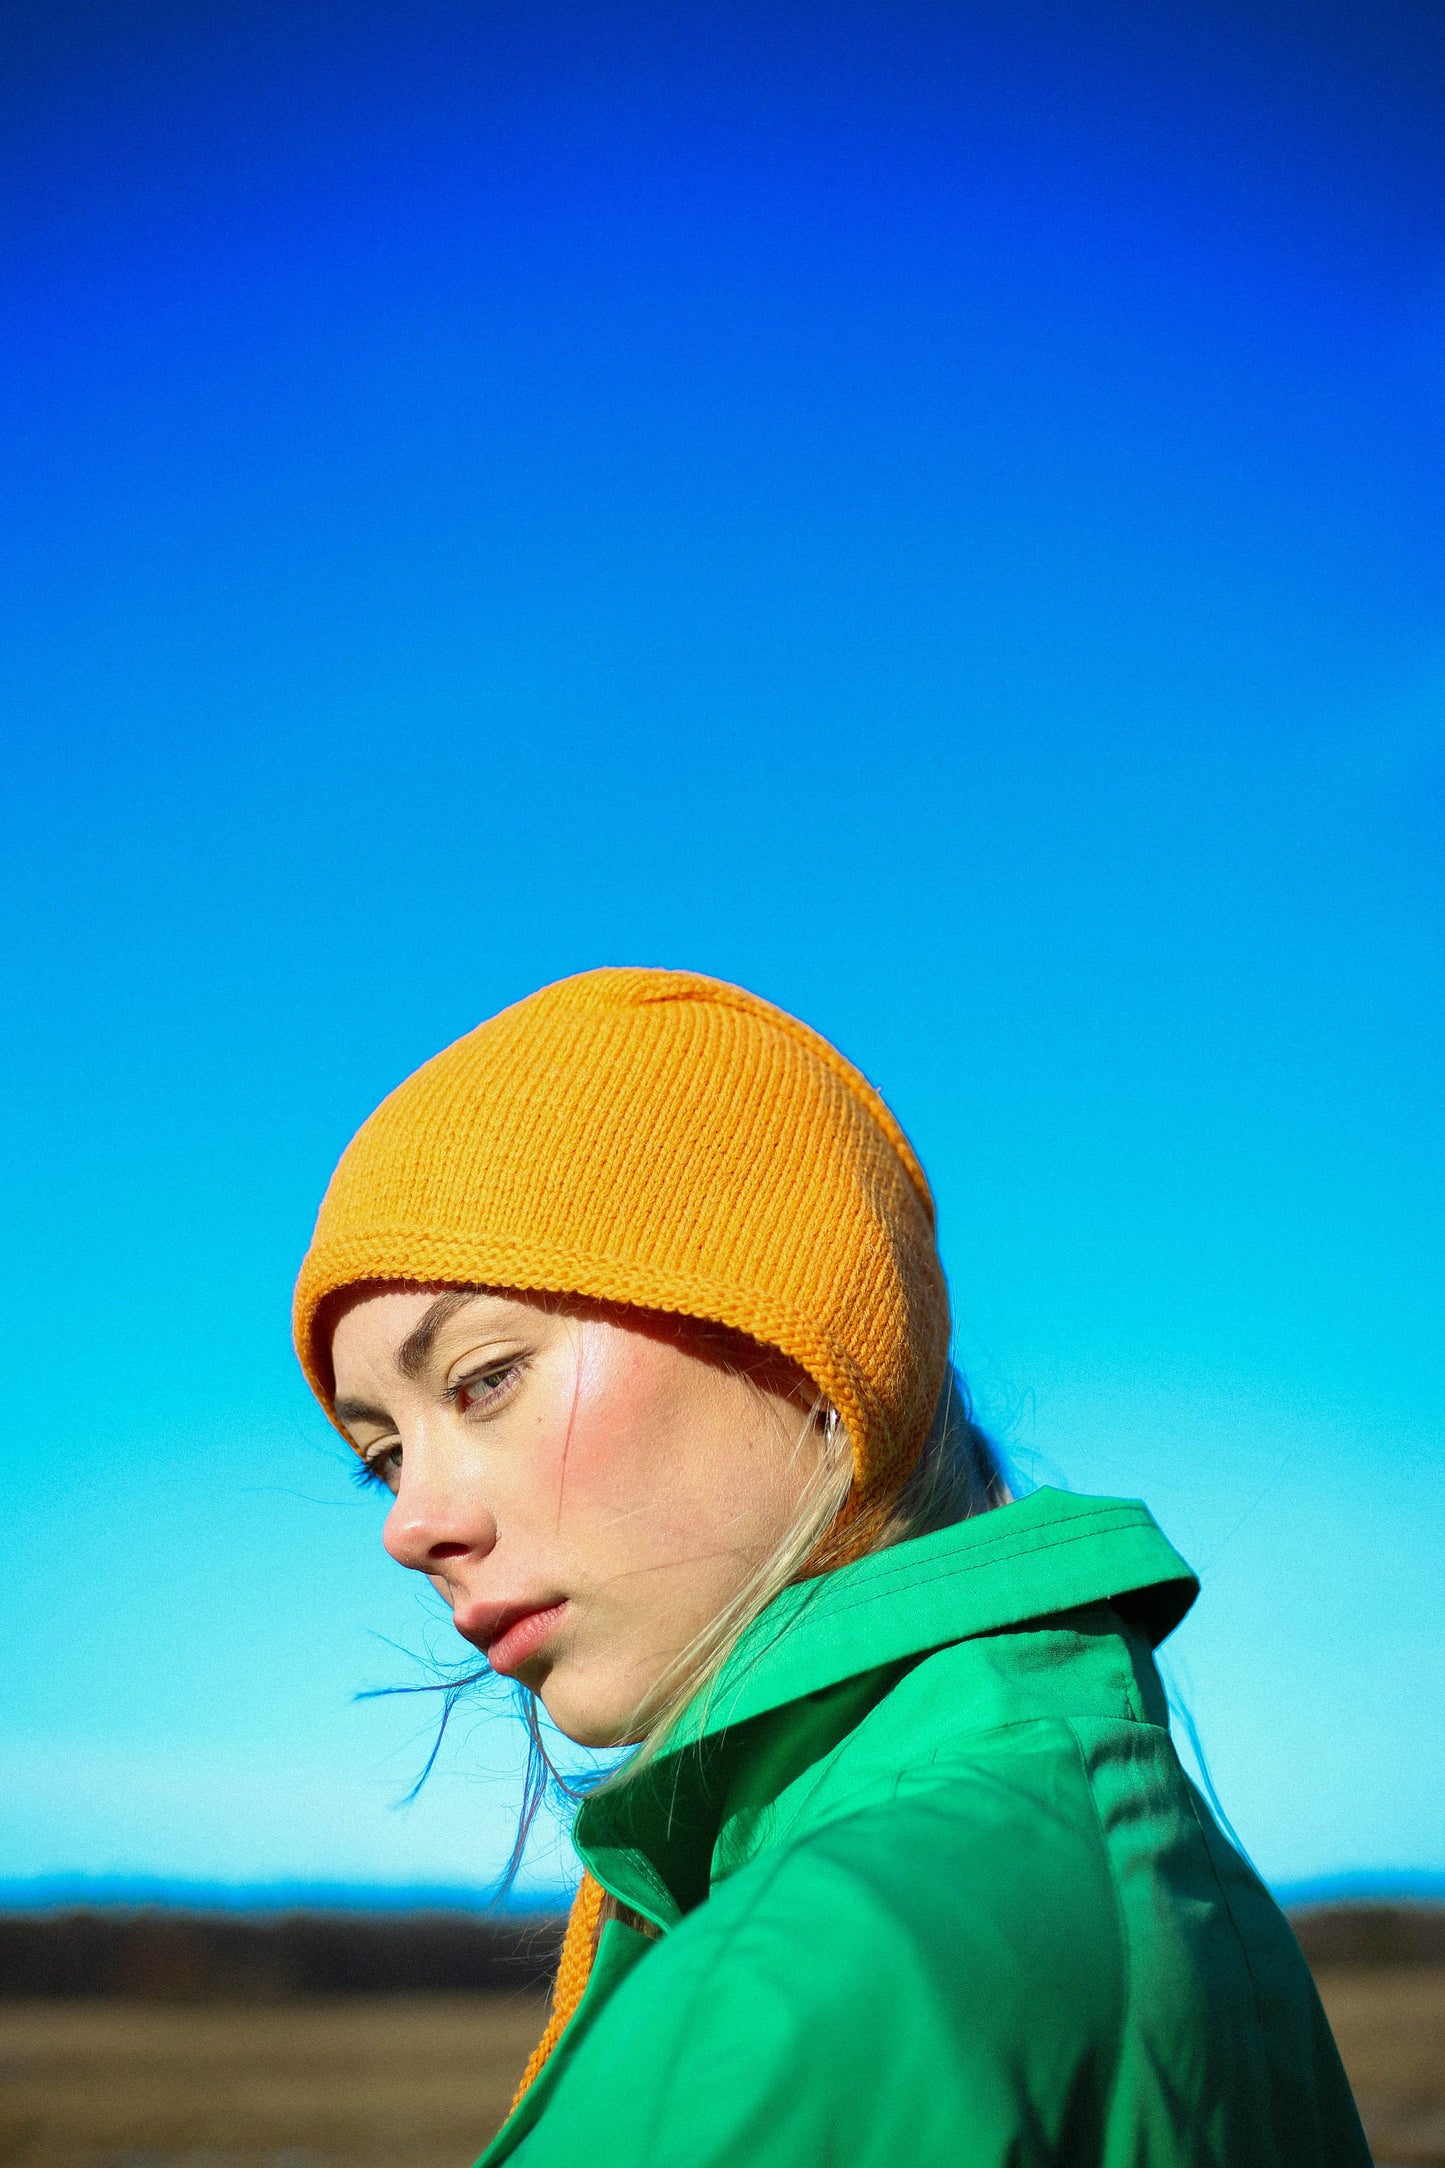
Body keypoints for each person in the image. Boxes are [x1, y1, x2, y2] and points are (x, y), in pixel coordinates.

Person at [292, 966, 1368, 2168]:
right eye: (383, 1455)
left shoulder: (802, 1992)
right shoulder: (1114, 1835)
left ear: (796, 1329)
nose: (408, 1525)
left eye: (484, 1376)